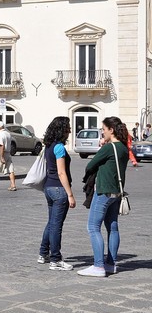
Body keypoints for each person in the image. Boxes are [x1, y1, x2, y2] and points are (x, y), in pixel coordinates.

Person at [78, 116, 129, 278]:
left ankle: (98, 265)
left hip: (104, 191)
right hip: (117, 191)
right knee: (112, 227)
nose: (102, 132)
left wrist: (102, 148)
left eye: (104, 129)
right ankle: (110, 264)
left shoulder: (109, 148)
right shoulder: (122, 148)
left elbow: (90, 165)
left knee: (93, 227)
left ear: (111, 130)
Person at [38, 117, 76, 270]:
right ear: (62, 130)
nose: (70, 131)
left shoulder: (48, 146)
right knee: (56, 225)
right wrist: (70, 194)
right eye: (68, 127)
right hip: (59, 189)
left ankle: (43, 253)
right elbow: (61, 172)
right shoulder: (59, 147)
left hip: (48, 188)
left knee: (51, 222)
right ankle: (56, 259)